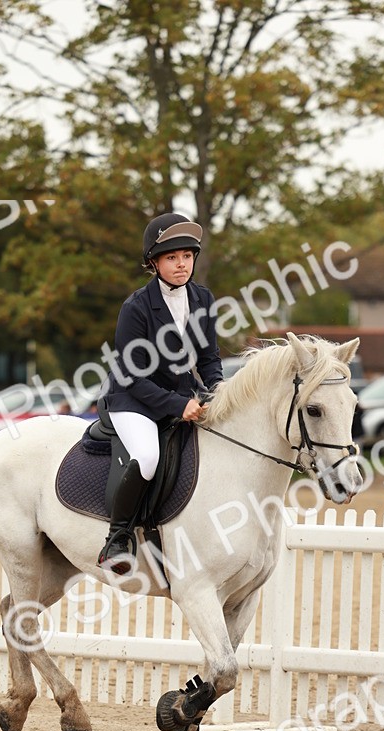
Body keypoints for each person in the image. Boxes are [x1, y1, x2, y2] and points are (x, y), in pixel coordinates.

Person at [96, 212, 223, 574]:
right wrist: (177, 403)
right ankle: (117, 539)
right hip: (132, 400)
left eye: (187, 256)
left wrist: (216, 392)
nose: (181, 264)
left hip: (182, 399)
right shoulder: (136, 307)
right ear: (154, 262)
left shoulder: (202, 298)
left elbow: (209, 357)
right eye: (171, 258)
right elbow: (134, 377)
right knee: (148, 457)